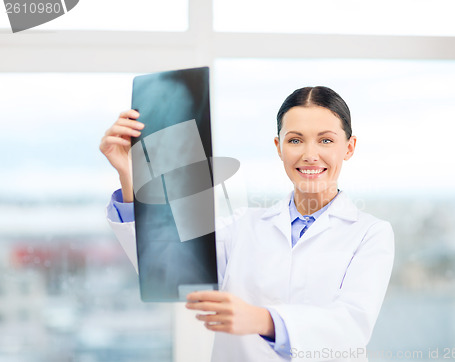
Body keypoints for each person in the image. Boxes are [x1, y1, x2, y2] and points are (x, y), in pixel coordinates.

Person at [99, 86, 395, 362]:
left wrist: (261, 320)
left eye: (326, 140)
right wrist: (130, 176)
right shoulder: (242, 226)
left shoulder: (370, 234)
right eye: (295, 140)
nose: (309, 154)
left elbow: (350, 327)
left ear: (350, 147)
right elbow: (166, 265)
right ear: (279, 147)